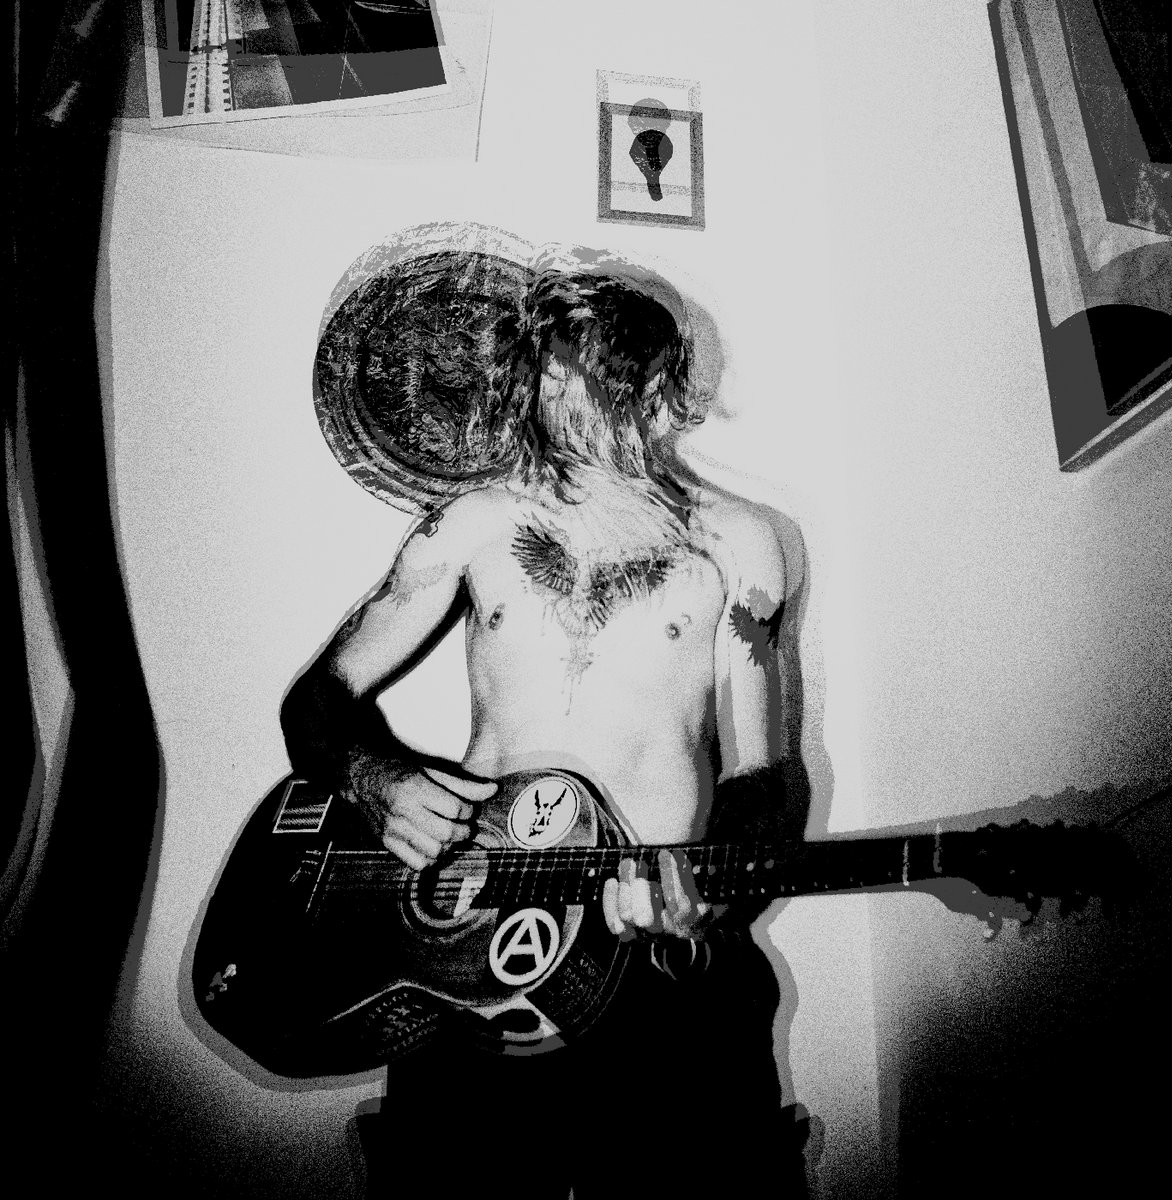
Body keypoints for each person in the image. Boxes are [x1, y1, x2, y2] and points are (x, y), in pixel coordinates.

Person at [282, 266, 807, 1198]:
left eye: (590, 377)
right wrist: (376, 777)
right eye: (551, 374)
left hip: (658, 956)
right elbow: (318, 700)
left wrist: (707, 896)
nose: (563, 400)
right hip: (474, 946)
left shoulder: (741, 540)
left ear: (660, 387)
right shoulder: (472, 524)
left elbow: (767, 779)